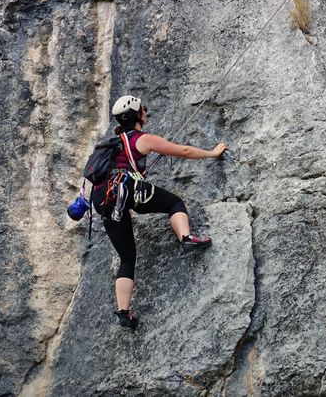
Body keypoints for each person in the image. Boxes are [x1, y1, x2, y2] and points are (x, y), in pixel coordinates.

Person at [91, 94, 227, 331]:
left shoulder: (113, 145)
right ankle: (185, 237)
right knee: (173, 203)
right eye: (143, 109)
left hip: (106, 201)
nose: (146, 112)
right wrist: (212, 153)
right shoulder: (141, 139)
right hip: (130, 192)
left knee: (127, 257)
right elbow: (183, 151)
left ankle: (124, 313)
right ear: (137, 115)